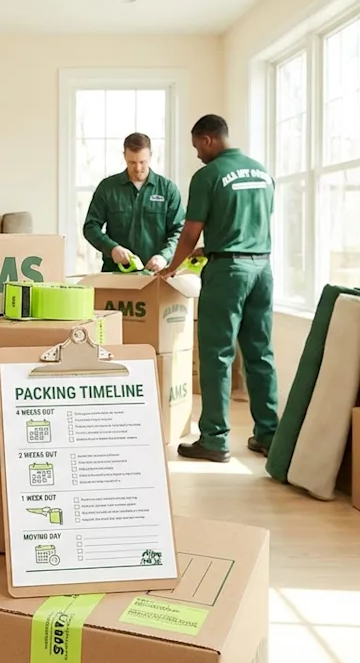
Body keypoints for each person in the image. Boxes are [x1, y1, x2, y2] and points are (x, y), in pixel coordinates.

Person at [160, 115, 278, 463]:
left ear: (208, 139)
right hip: (262, 268)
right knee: (260, 353)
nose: (197, 153)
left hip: (228, 273)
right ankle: (269, 435)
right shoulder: (262, 172)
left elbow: (189, 231)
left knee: (216, 355)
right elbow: (250, 223)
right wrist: (212, 248)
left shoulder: (208, 175)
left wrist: (173, 266)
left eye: (197, 146)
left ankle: (214, 439)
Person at [82, 133, 185, 273]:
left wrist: (164, 256)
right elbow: (90, 227)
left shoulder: (168, 189)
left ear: (150, 156)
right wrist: (112, 248)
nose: (137, 168)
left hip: (156, 274)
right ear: (124, 156)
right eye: (132, 162)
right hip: (115, 272)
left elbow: (179, 231)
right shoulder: (107, 188)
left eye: (143, 162)